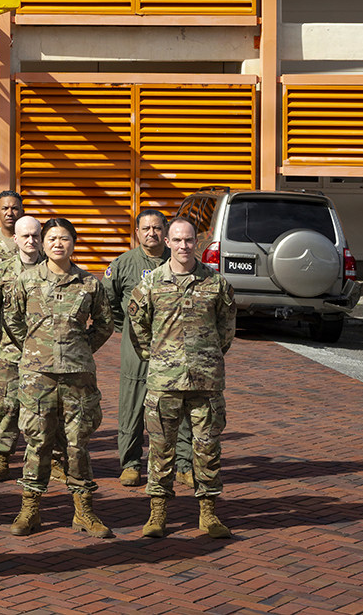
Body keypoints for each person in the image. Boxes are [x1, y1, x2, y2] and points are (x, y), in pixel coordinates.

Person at [2, 217, 114, 539]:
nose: (57, 244)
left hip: (78, 377)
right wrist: (36, 348)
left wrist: (80, 348)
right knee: (38, 443)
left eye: (64, 238)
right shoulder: (26, 280)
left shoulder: (89, 284)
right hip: (37, 377)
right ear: (42, 243)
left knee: (78, 444)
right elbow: (12, 318)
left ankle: (84, 511)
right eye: (51, 238)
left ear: (73, 243)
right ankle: (30, 509)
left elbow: (105, 324)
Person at [129, 218, 236, 539]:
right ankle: (158, 513)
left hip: (206, 383)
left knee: (207, 449)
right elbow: (139, 330)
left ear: (196, 243)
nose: (183, 246)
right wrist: (160, 359)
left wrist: (206, 357)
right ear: (168, 242)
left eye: (189, 240)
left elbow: (226, 331)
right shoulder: (150, 284)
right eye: (177, 240)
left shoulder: (216, 284)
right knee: (161, 450)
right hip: (164, 383)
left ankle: (208, 513)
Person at [105, 209, 194, 487]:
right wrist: (127, 328)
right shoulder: (122, 264)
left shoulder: (181, 261)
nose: (151, 233)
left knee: (179, 405)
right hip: (136, 347)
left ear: (166, 234)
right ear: (137, 232)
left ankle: (183, 464)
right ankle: (131, 463)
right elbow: (109, 304)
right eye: (145, 228)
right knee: (132, 405)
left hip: (175, 348)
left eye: (157, 228)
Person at [0, 216, 43, 485]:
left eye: (35, 236)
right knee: (4, 407)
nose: (31, 241)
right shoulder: (0, 272)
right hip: (8, 351)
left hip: (44, 354)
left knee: (46, 408)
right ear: (15, 239)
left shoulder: (54, 269)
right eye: (25, 236)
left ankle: (52, 460)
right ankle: (1, 460)